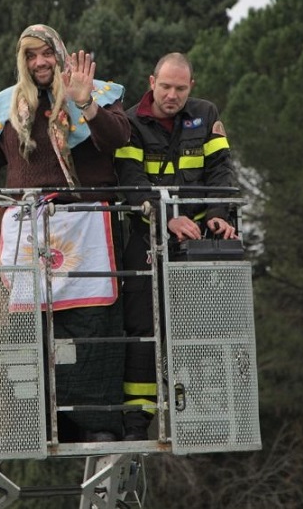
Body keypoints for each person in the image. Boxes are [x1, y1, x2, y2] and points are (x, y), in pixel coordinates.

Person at [0, 24, 129, 443]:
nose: (40, 63)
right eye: (30, 55)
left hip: (85, 232)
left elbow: (118, 140)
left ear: (59, 54)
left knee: (91, 328)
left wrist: (86, 105)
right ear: (22, 61)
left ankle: (97, 427)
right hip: (26, 235)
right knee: (27, 333)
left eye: (45, 54)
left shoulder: (93, 92)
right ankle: (32, 423)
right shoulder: (7, 107)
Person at [114, 52, 238, 440]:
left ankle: (201, 411)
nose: (172, 95)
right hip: (146, 239)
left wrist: (219, 214)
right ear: (152, 82)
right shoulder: (130, 122)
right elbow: (131, 182)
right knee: (142, 332)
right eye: (165, 86)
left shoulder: (206, 114)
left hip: (199, 245)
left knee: (200, 329)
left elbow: (221, 171)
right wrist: (165, 217)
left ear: (192, 88)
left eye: (180, 89)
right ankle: (137, 422)